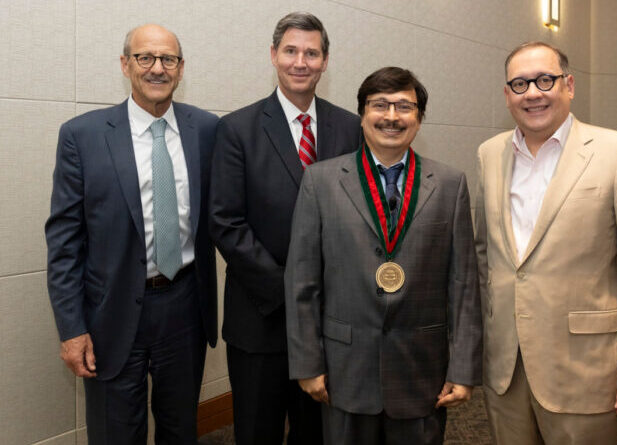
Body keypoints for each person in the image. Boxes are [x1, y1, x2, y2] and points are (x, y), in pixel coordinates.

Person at [474, 41, 617, 444]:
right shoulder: (489, 154)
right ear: (507, 94)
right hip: (506, 369)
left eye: (545, 80)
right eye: (520, 83)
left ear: (569, 85)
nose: (533, 93)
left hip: (585, 368)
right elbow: (484, 256)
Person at [285, 67, 482, 445]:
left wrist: (463, 367)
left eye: (404, 106)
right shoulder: (321, 181)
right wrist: (307, 364)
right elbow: (302, 282)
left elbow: (464, 286)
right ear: (362, 115)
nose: (391, 117)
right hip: (344, 371)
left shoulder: (449, 185)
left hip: (422, 371)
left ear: (419, 119)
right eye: (380, 105)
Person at [45, 24, 218, 444]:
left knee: (181, 428)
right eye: (145, 58)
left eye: (168, 59)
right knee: (115, 433)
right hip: (111, 313)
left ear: (181, 69)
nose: (157, 68)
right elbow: (64, 243)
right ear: (126, 64)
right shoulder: (81, 136)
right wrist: (71, 328)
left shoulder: (209, 131)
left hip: (184, 305)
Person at [208, 11, 361, 445]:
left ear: (325, 61)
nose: (301, 62)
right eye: (291, 51)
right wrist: (291, 293)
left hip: (331, 321)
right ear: (273, 55)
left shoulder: (349, 128)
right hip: (260, 317)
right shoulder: (237, 128)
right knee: (257, 430)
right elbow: (225, 222)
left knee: (318, 433)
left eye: (311, 53)